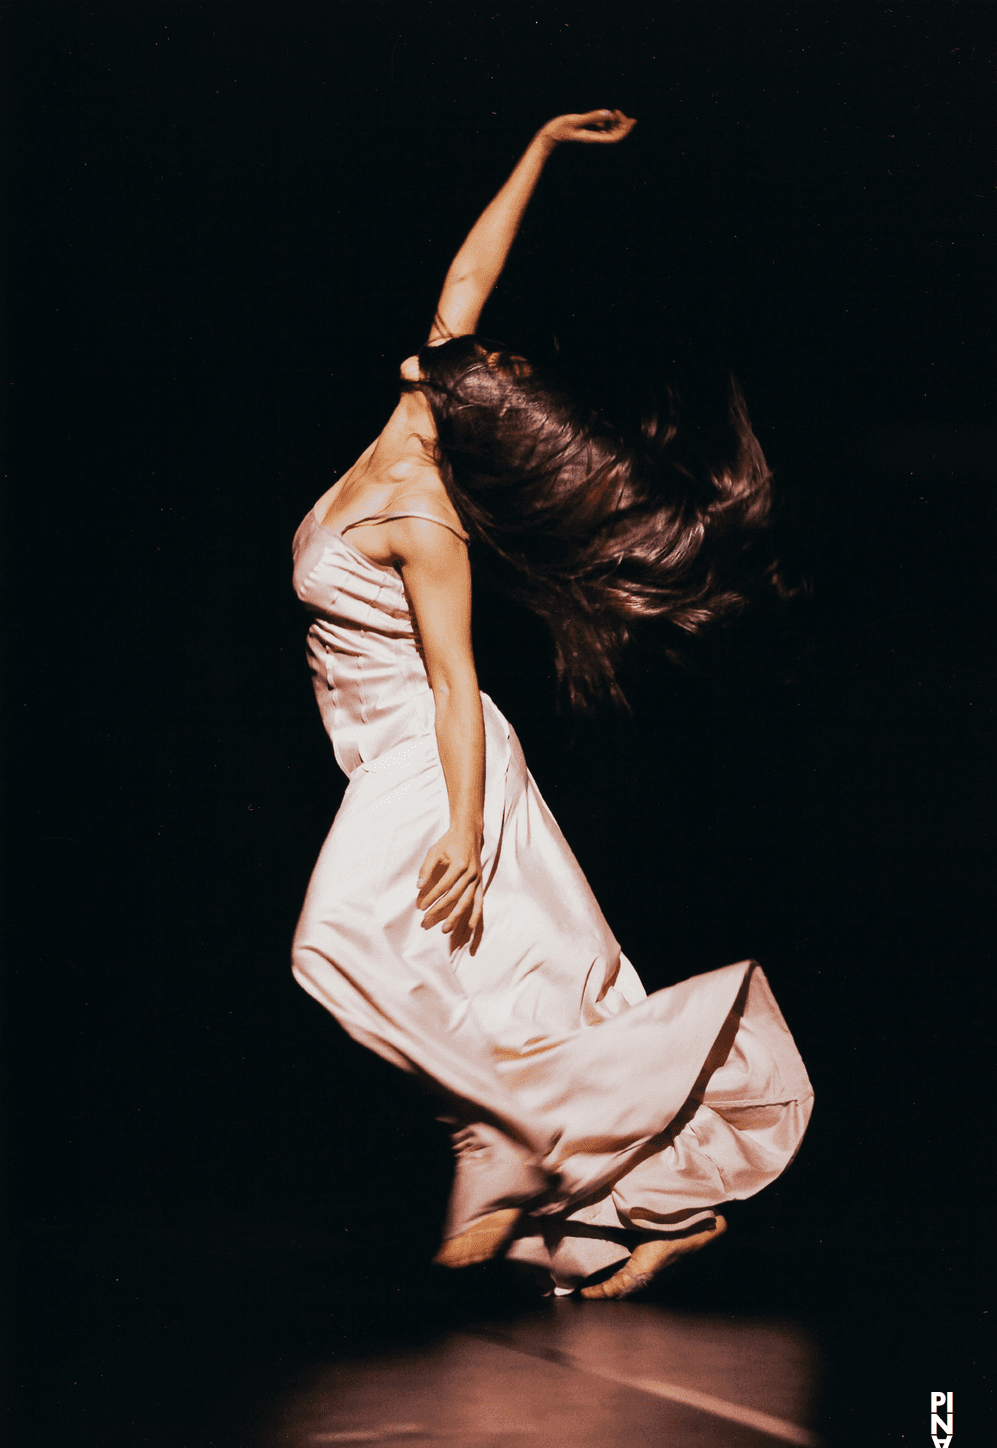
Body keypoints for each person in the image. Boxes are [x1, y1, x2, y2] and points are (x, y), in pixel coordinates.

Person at [291, 109, 813, 1298]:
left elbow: (459, 687)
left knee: (330, 945)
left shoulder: (424, 513)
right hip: (392, 762)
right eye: (475, 356)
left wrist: (468, 829)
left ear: (468, 416)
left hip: (433, 764)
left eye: (478, 364)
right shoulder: (411, 411)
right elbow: (467, 276)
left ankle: (494, 1142)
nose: (453, 349)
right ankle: (656, 1210)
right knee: (535, 1000)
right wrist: (540, 146)